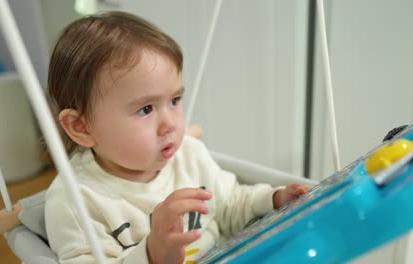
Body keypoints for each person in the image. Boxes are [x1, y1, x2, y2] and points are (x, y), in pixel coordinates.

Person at [45, 11, 309, 264]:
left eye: (174, 100)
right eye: (146, 109)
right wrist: (152, 254)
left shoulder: (190, 154)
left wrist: (275, 200)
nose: (170, 124)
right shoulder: (75, 201)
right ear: (82, 127)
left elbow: (230, 204)